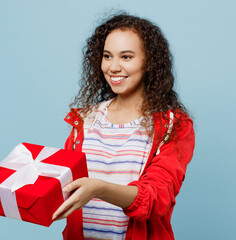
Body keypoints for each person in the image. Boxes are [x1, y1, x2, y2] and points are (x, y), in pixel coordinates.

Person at [52, 13, 195, 240]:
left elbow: (155, 199)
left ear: (149, 62)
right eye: (107, 56)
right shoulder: (86, 120)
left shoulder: (172, 125)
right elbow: (65, 184)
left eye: (126, 57)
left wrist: (98, 188)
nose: (113, 67)